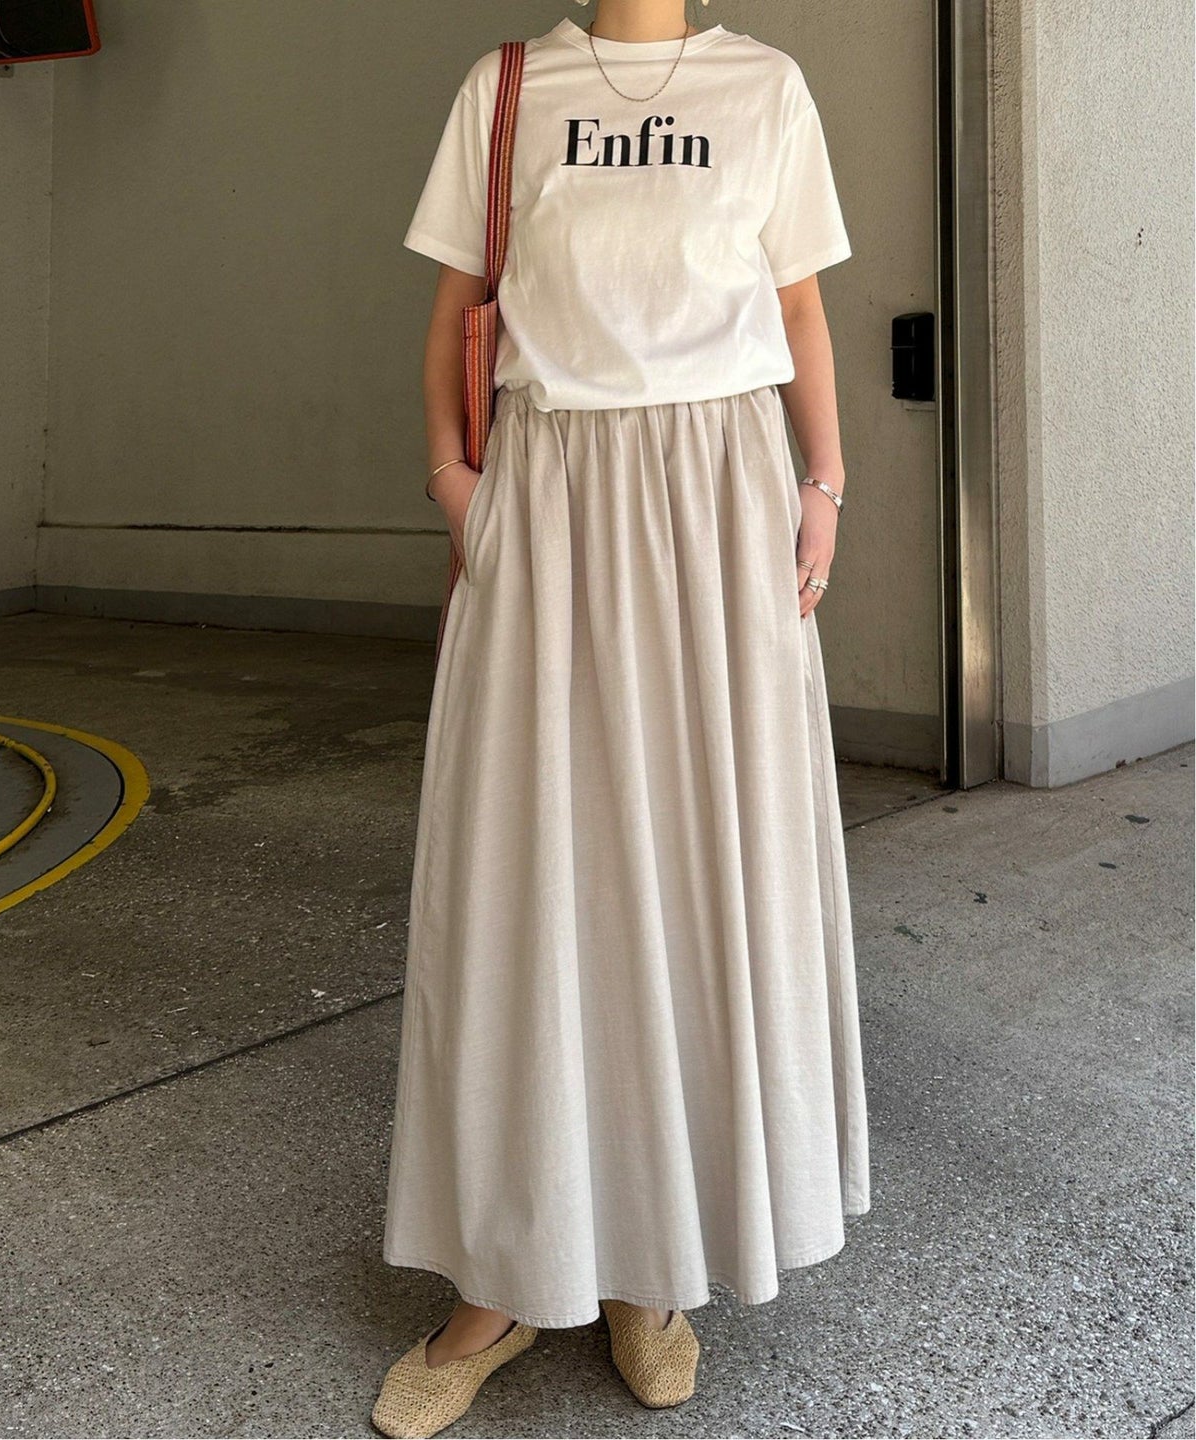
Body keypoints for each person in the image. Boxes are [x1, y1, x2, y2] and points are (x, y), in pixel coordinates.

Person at [372, 2, 871, 1434]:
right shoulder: (507, 86)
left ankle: (655, 1260)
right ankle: (505, 1277)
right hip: (549, 496)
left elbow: (797, 308)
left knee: (701, 873)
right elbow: (456, 307)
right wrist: (456, 489)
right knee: (527, 874)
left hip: (720, 504)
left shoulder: (764, 87)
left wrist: (823, 489)